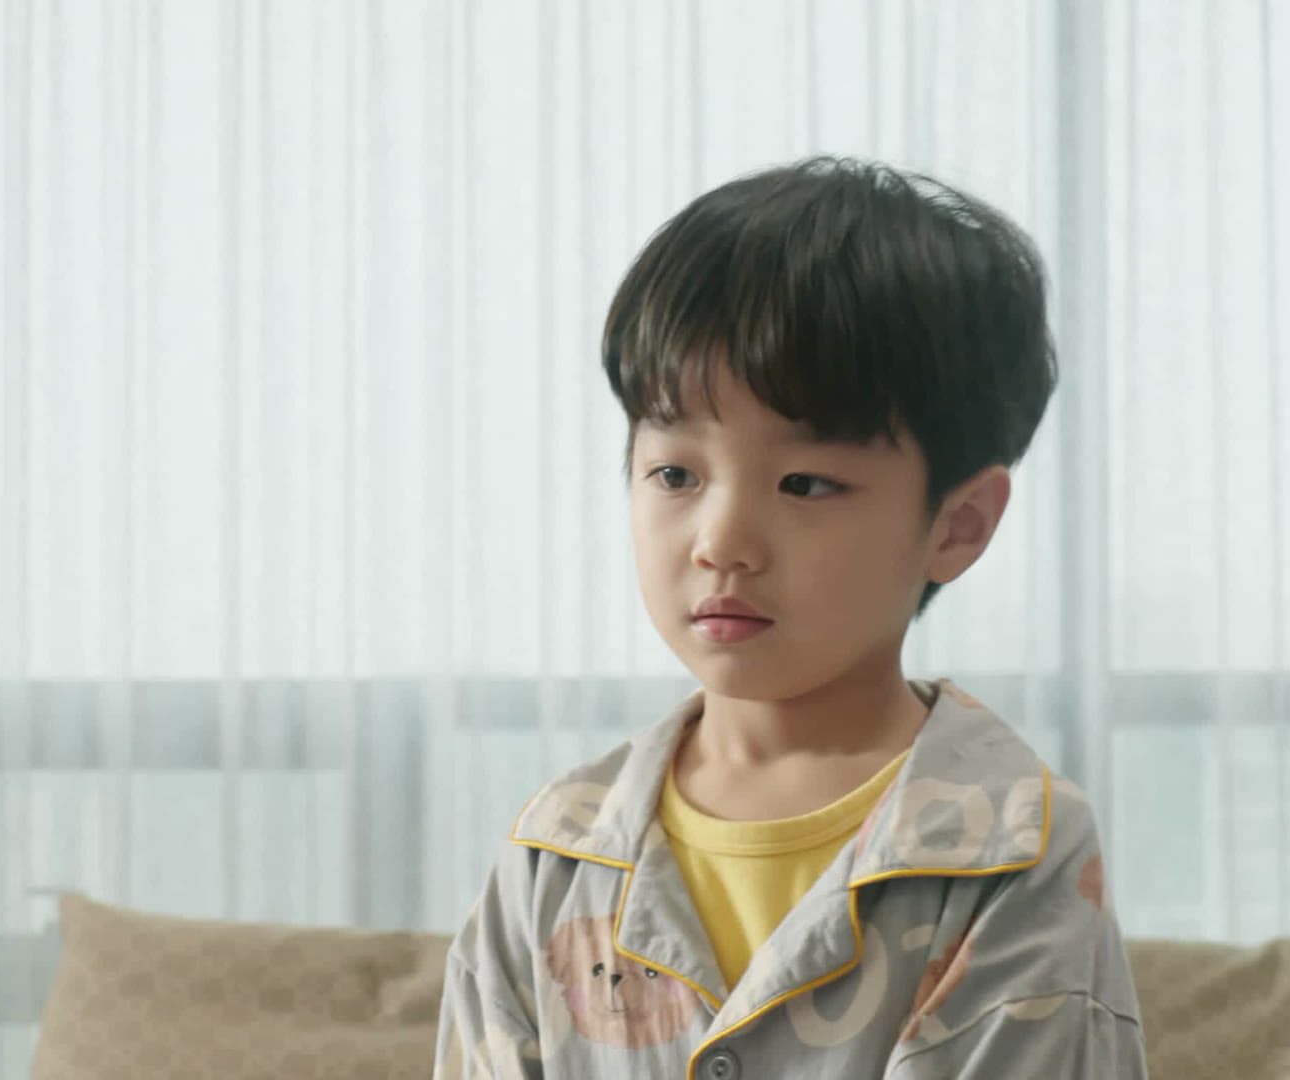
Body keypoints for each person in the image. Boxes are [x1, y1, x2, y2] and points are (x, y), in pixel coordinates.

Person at [434, 155, 1146, 1078]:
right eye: (675, 474)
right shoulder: (557, 851)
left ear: (958, 524)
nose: (721, 542)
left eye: (805, 483)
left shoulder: (1017, 849)